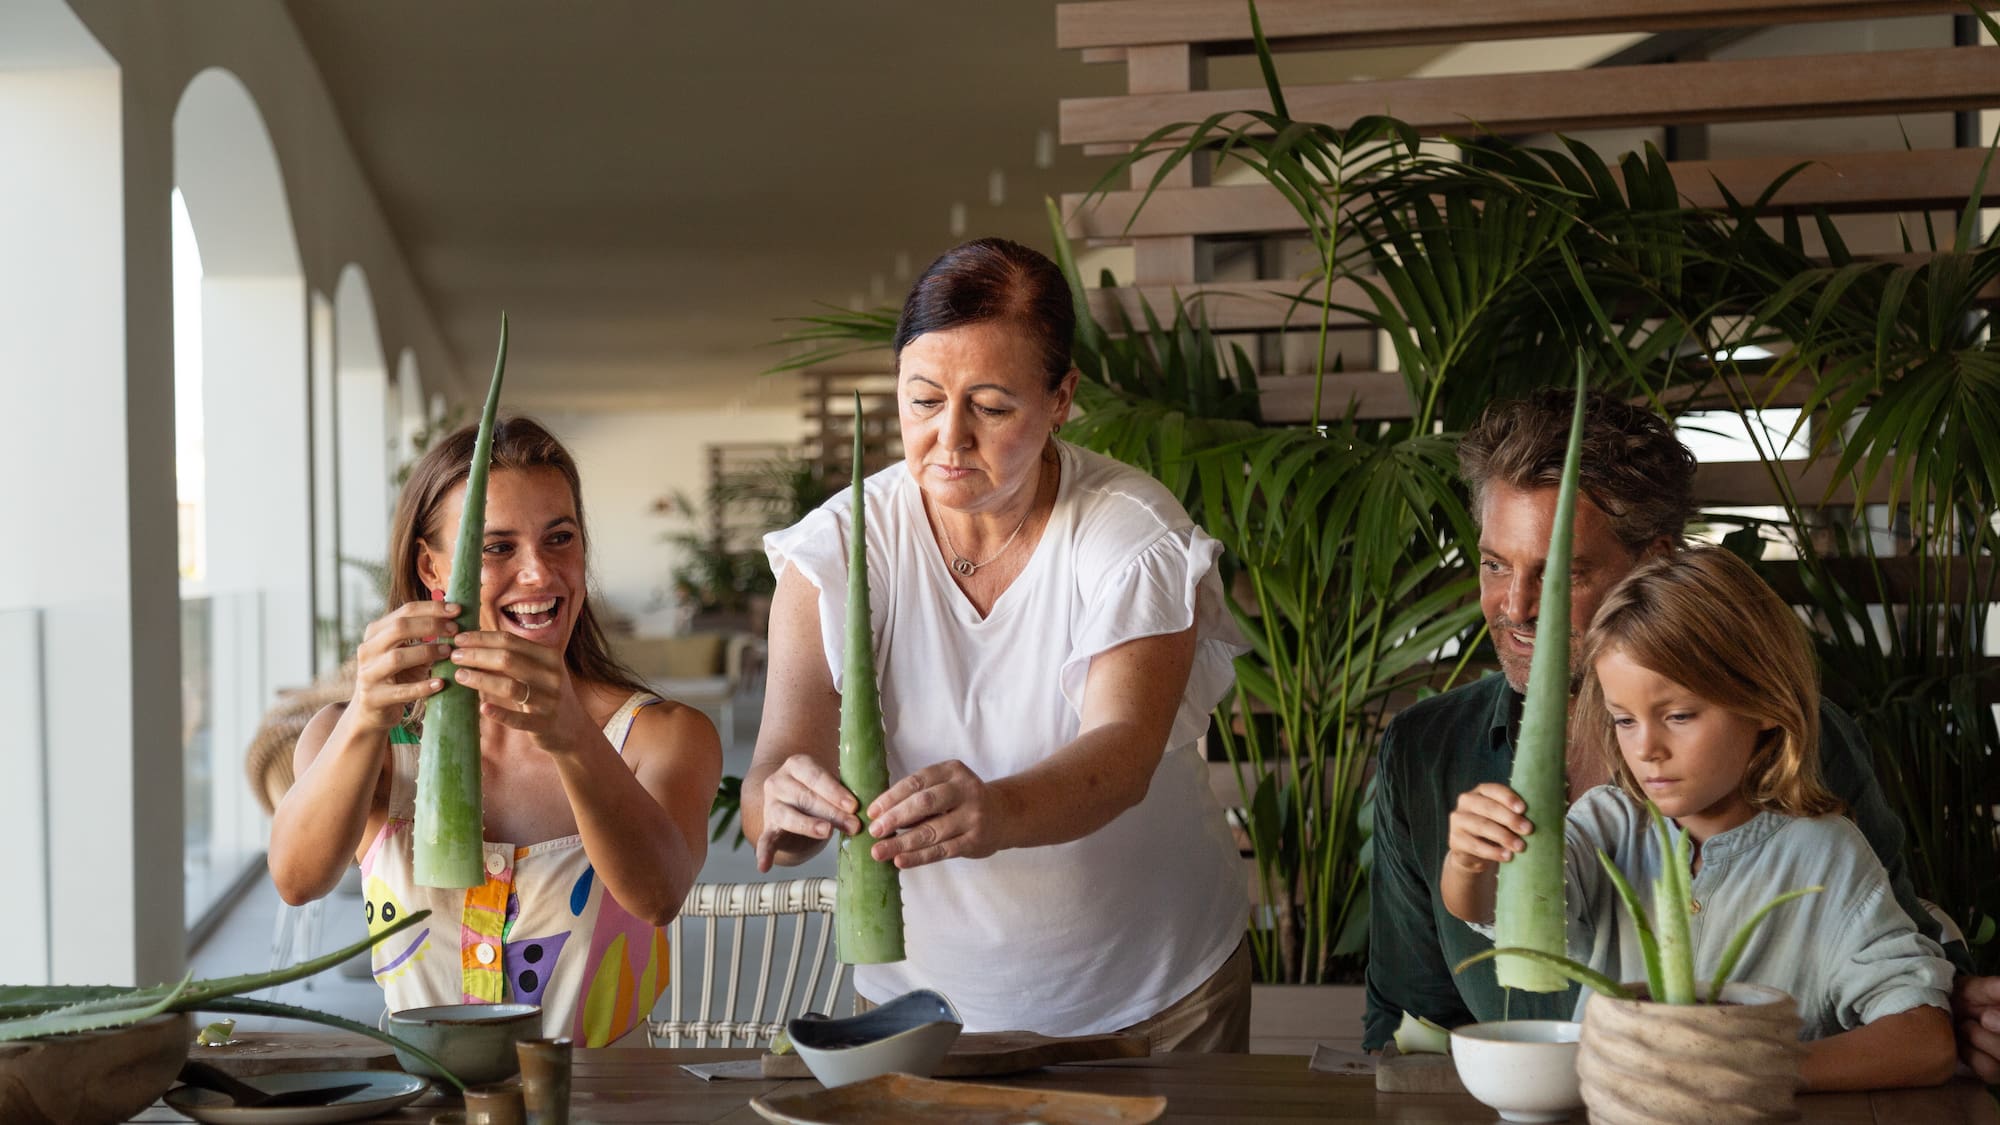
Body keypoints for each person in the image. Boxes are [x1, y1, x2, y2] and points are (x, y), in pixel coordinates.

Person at [1362, 388, 1995, 1079]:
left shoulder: (1816, 767)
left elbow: (1903, 963)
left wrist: (1949, 1010)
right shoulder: (1432, 756)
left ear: (1654, 561)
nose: (1515, 608)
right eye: (1494, 563)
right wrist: (1470, 863)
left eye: (1562, 573)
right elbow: (1407, 1016)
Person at [742, 237, 1251, 1050]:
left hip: (1152, 996)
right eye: (922, 400)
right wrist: (787, 806)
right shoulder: (837, 547)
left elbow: (1121, 756)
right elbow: (774, 765)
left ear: (1061, 398)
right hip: (924, 1012)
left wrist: (999, 807)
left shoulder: (1132, 533)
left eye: (991, 405)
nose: (949, 439)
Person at [270, 417, 721, 1047]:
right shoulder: (364, 742)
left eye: (559, 538)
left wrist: (570, 735)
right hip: (425, 1104)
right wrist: (369, 711)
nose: (539, 574)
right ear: (431, 567)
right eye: (496, 547)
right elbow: (296, 880)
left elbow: (658, 896)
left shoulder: (659, 736)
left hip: (602, 1107)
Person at [1443, 548, 1956, 1091]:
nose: (1648, 750)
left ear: (1763, 701)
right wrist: (1471, 860)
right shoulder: (1607, 826)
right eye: (1623, 720)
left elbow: (1924, 1040)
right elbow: (1496, 903)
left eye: (1679, 715)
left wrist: (1754, 1069)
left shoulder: (1827, 855)